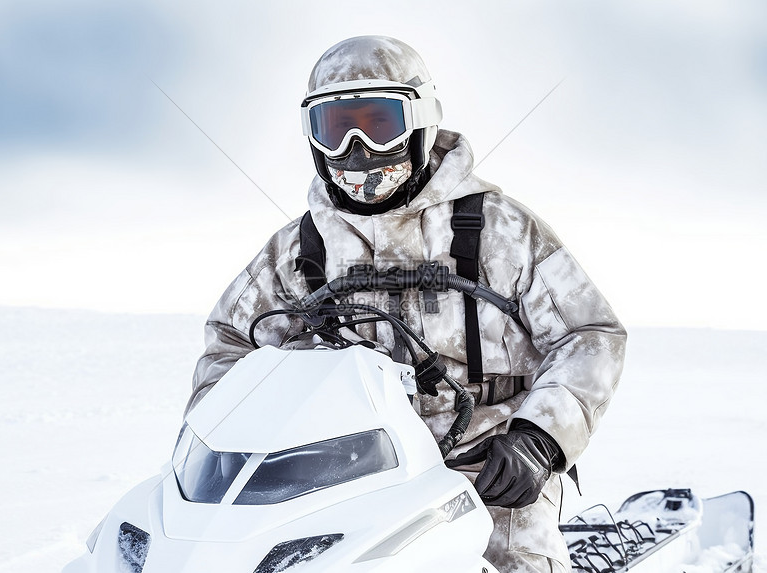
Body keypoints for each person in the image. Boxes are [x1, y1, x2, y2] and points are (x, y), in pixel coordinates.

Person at [188, 35, 626, 572]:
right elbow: (231, 343)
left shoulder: (501, 230)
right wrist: (221, 456)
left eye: (378, 124)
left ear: (421, 121)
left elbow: (591, 335)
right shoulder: (300, 248)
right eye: (334, 128)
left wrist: (538, 438)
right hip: (341, 480)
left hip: (486, 471)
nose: (356, 149)